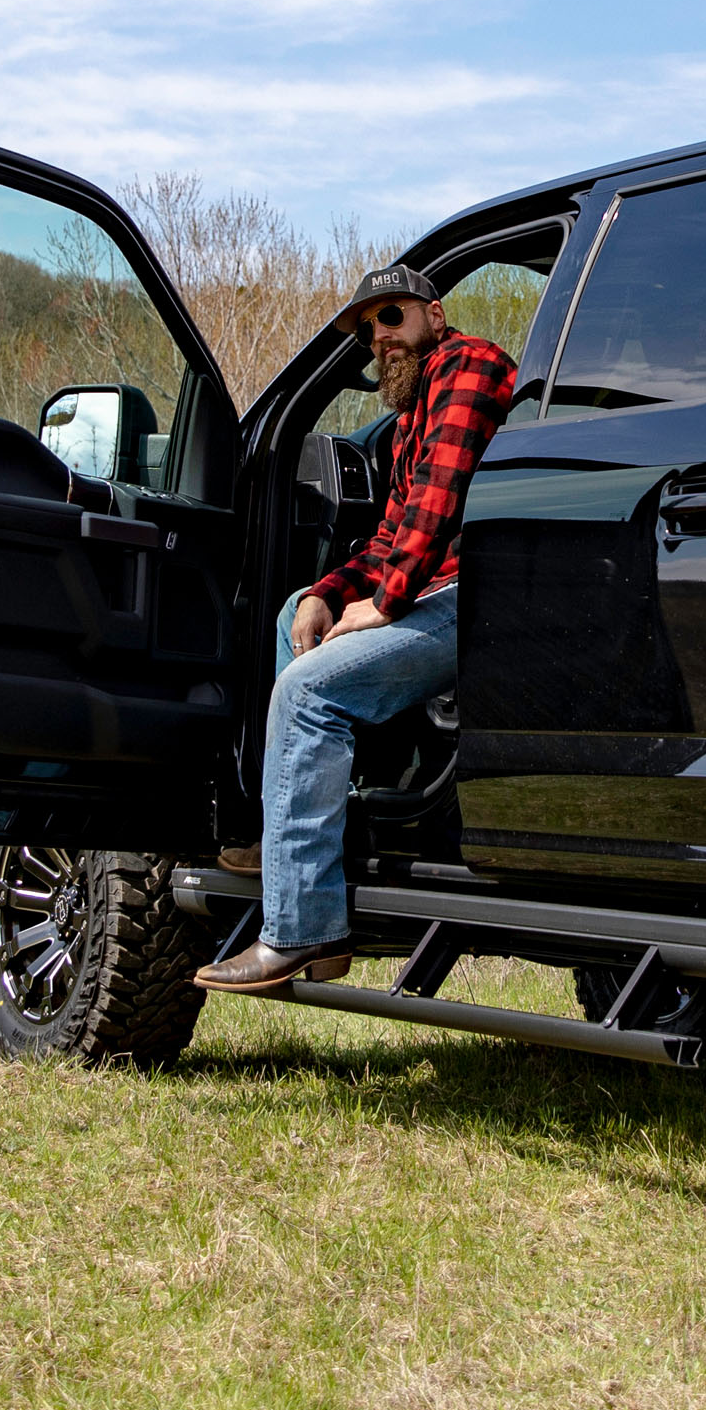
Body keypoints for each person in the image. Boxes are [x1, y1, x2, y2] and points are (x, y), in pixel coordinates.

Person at [196, 263, 516, 995]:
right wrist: (329, 594)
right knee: (294, 614)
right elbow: (387, 539)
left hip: (475, 598)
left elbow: (438, 504)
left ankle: (301, 929)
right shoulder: (409, 419)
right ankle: (300, 854)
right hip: (431, 592)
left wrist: (386, 601)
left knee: (307, 693)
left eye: (393, 316)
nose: (381, 337)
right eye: (369, 329)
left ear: (435, 316)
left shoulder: (469, 365)